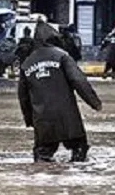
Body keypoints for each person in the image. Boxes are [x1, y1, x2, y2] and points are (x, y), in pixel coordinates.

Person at [19, 22, 103, 163]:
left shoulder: (27, 64)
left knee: (42, 157)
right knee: (79, 153)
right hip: (68, 118)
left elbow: (23, 97)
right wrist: (94, 102)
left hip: (42, 120)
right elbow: (79, 81)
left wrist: (29, 120)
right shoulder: (62, 56)